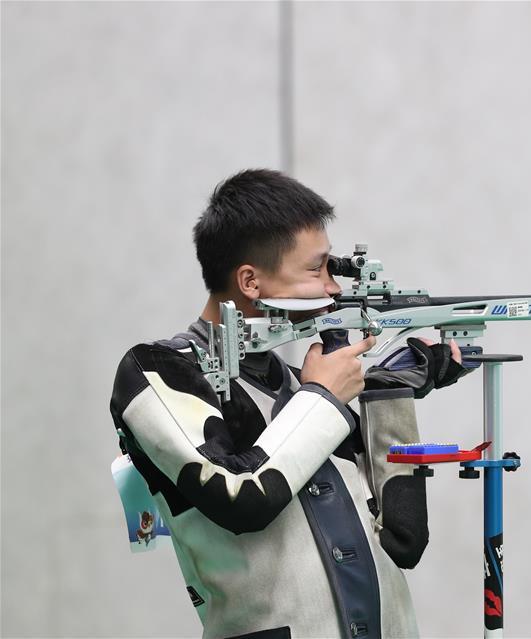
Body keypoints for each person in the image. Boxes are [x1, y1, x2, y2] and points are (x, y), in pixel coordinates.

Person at [109, 169, 469, 639]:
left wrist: (388, 393)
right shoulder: (157, 373)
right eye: (316, 269)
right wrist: (323, 398)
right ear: (250, 282)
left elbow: (404, 540)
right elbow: (241, 496)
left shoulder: (305, 391)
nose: (334, 288)